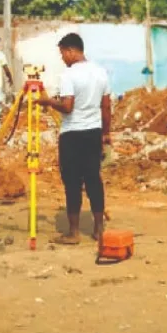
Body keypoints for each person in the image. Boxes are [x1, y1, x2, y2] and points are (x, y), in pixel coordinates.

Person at [35, 33, 111, 245]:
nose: (62, 59)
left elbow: (67, 107)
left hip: (72, 134)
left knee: (72, 183)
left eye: (62, 54)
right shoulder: (100, 72)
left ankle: (74, 233)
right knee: (93, 179)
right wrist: (106, 133)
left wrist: (48, 101)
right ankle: (98, 229)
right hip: (93, 132)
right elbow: (106, 106)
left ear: (70, 51)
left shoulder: (69, 75)